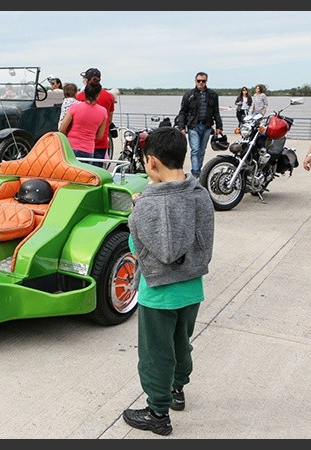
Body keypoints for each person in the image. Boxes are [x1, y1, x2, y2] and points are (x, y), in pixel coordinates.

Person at [122, 126, 215, 436]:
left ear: (151, 162)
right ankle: (177, 391)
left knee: (155, 353)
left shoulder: (146, 204)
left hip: (157, 293)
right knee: (180, 345)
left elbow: (140, 249)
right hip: (192, 288)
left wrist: (137, 208)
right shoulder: (200, 194)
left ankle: (157, 413)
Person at [173, 71, 223, 178]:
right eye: (199, 81)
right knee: (195, 150)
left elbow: (216, 112)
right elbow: (182, 112)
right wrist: (181, 127)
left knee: (201, 151)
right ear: (195, 81)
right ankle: (195, 173)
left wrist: (219, 126)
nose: (201, 83)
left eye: (203, 81)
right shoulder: (188, 95)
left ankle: (199, 171)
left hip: (207, 126)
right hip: (193, 126)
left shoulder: (213, 95)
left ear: (206, 81)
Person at [58, 79, 107, 167]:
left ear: (85, 93)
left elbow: (62, 129)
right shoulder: (103, 112)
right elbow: (100, 136)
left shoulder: (74, 107)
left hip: (71, 147)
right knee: (85, 177)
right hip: (88, 149)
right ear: (98, 94)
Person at [76, 68, 116, 161]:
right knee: (97, 173)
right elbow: (109, 119)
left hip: (82, 143)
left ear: (86, 80)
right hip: (101, 141)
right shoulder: (109, 97)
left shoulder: (80, 97)